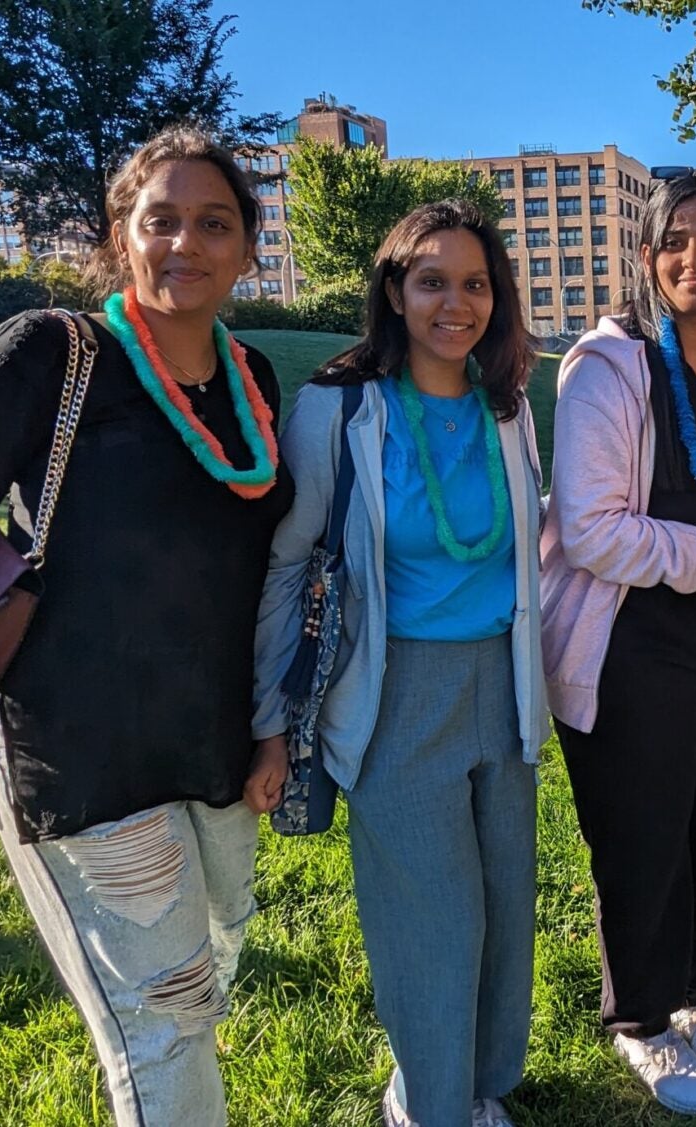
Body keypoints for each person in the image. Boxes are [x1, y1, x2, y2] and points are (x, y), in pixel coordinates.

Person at [0, 126, 294, 1125]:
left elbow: (262, 569)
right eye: (162, 219)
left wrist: (271, 727)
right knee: (162, 1013)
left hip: (213, 747)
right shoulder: (48, 354)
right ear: (120, 237)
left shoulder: (251, 379)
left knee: (209, 971)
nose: (187, 241)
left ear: (246, 247)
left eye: (213, 222)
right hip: (78, 754)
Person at [249, 199, 546, 1127]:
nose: (455, 304)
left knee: (504, 899)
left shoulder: (510, 407)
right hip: (392, 691)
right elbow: (289, 562)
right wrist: (267, 717)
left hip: (505, 685)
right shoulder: (340, 409)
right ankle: (428, 1099)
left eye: (474, 285)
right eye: (432, 282)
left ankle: (481, 1081)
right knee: (431, 917)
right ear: (393, 290)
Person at [540, 169, 696, 1116]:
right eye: (676, 240)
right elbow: (596, 531)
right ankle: (640, 1021)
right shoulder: (608, 364)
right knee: (640, 836)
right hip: (628, 641)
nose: (695, 257)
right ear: (648, 258)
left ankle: (691, 990)